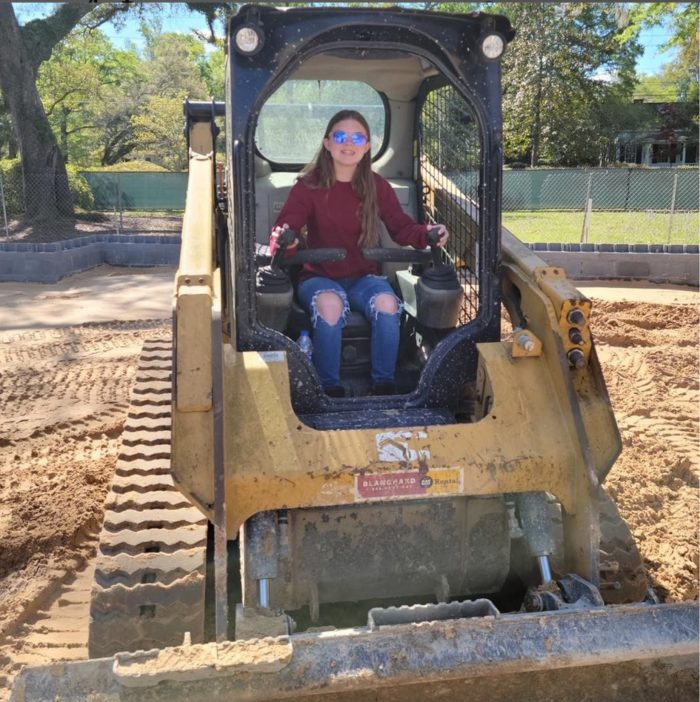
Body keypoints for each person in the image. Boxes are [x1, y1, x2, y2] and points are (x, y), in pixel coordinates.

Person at [270, 109, 448, 398]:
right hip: (319, 276)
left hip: (364, 277)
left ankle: (384, 386)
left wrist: (428, 233)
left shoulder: (377, 186)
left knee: (389, 305)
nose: (348, 143)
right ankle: (329, 390)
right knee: (330, 306)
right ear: (327, 143)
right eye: (340, 136)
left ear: (367, 147)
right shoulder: (309, 186)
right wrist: (285, 239)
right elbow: (285, 229)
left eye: (357, 137)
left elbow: (402, 228)